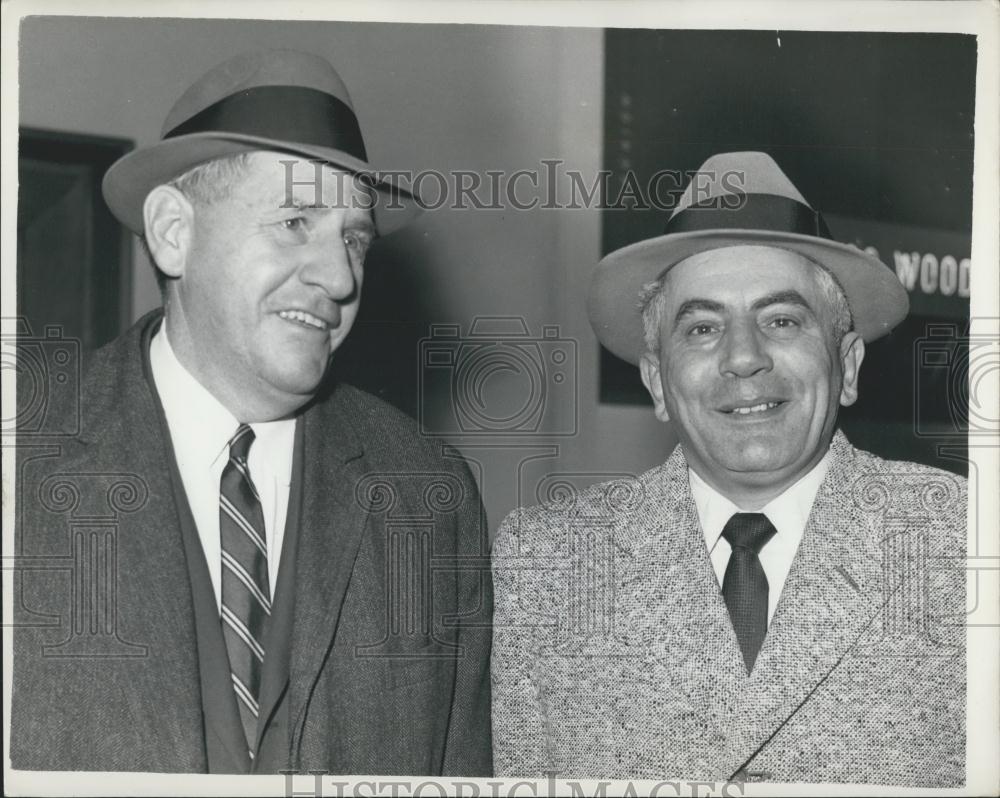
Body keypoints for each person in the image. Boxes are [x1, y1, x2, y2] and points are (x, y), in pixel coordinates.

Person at [12, 49, 492, 775]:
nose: (338, 277)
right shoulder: (23, 465)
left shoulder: (430, 493)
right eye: (296, 221)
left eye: (354, 239)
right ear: (175, 232)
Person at [491, 152, 966, 786]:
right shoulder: (549, 562)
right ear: (658, 381)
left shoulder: (961, 542)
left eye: (781, 320)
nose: (743, 358)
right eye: (703, 327)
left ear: (847, 366)